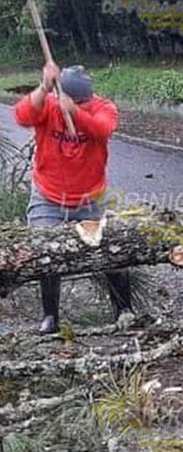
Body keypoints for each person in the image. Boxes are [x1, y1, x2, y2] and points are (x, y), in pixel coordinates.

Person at [14, 61, 131, 334]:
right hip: (48, 198)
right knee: (46, 254)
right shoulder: (49, 105)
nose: (81, 103)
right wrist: (44, 87)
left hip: (89, 199)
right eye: (74, 99)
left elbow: (103, 129)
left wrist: (76, 112)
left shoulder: (103, 108)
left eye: (84, 100)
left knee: (111, 251)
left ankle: (125, 310)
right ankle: (50, 317)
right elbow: (21, 115)